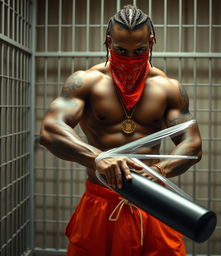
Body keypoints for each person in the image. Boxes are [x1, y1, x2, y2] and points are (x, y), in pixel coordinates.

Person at [39, 5, 202, 256]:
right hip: (100, 202)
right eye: (120, 50)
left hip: (153, 203)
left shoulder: (168, 88)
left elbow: (192, 144)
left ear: (151, 41)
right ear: (108, 41)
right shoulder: (86, 82)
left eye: (139, 51)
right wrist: (98, 158)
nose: (129, 58)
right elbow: (50, 130)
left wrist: (160, 171)